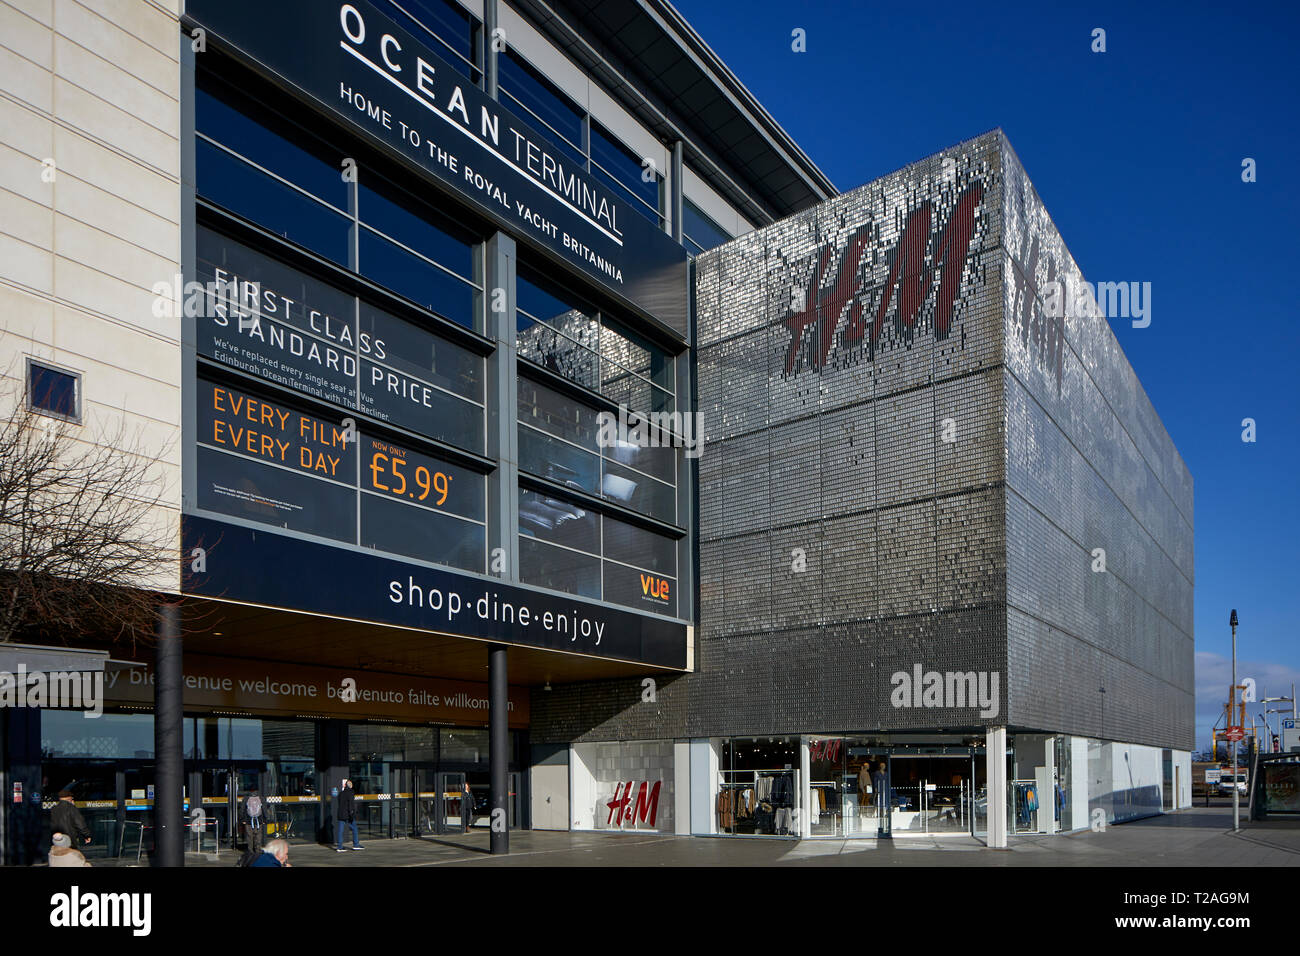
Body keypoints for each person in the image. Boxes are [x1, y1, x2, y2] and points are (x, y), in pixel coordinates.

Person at [335, 779, 363, 852]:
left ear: (345, 786)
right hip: (347, 814)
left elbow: (340, 803)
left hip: (341, 814)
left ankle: (339, 847)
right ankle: (356, 845)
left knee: (340, 830)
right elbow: (351, 804)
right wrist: (352, 813)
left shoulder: (341, 793)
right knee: (354, 828)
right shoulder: (351, 792)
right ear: (351, 786)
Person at [244, 787, 264, 854]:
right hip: (259, 820)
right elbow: (264, 809)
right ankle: (257, 849)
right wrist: (265, 819)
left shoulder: (246, 798)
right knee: (258, 835)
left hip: (248, 820)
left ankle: (250, 850)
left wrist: (242, 819)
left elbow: (242, 809)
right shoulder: (261, 798)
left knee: (249, 836)